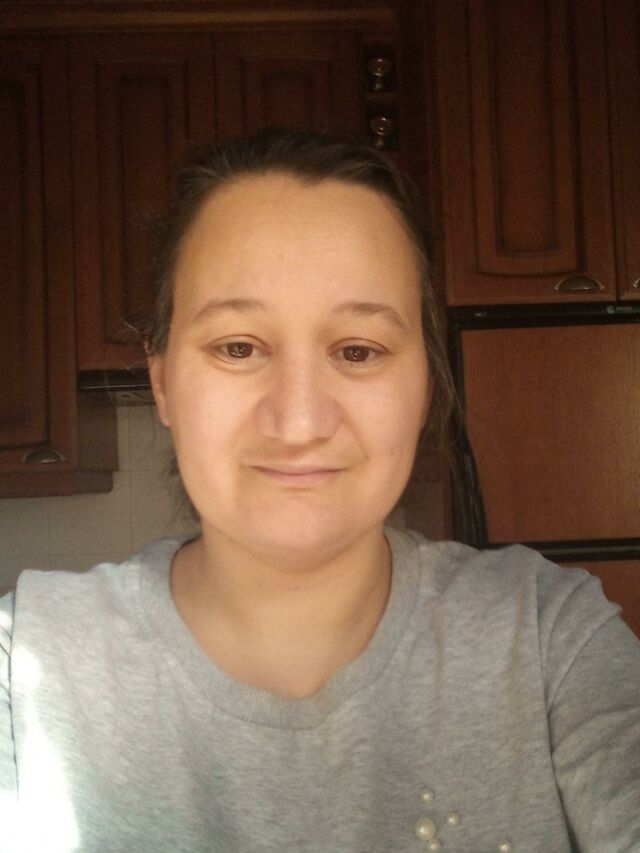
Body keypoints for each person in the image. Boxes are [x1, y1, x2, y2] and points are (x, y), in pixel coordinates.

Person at [1, 129, 639, 853]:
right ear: (163, 384)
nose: (299, 421)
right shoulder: (27, 666)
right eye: (238, 347)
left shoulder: (550, 637)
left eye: (358, 350)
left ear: (425, 386)